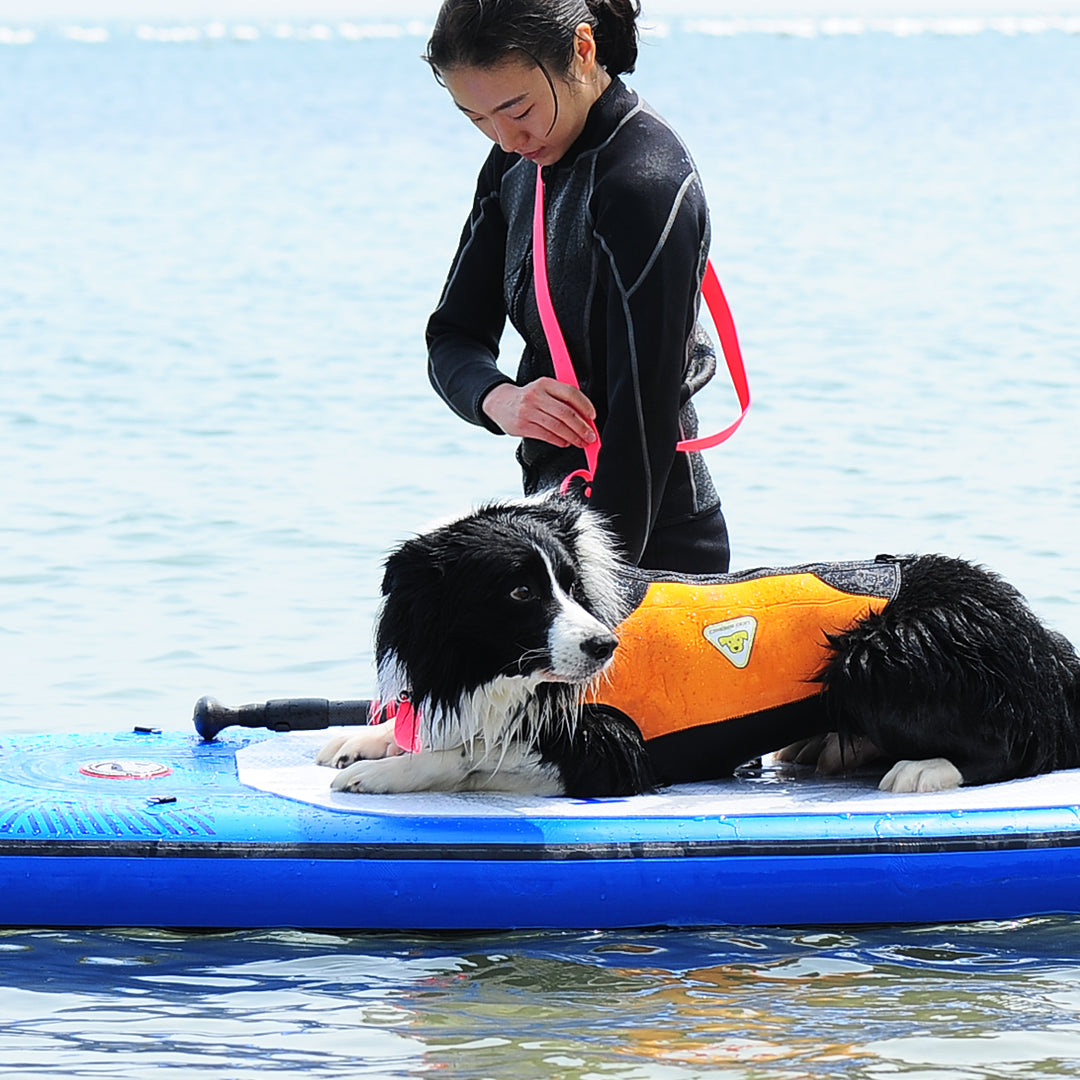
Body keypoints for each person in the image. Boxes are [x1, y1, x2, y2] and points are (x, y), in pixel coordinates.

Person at [423, 0, 731, 574]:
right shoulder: (513, 167)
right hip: (553, 525)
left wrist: (590, 588)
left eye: (519, 109)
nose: (507, 138)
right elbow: (453, 336)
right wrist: (502, 401)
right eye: (477, 119)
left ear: (583, 50)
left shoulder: (643, 178)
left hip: (653, 541)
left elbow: (645, 415)